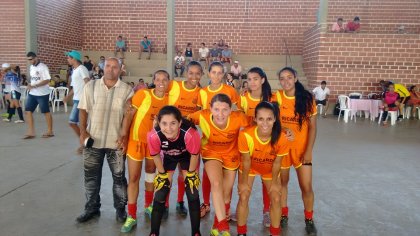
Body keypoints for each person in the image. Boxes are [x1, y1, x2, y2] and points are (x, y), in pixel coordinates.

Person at [75, 57, 133, 223]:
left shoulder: (127, 90)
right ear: (103, 67)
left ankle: (120, 209)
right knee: (91, 178)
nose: (111, 70)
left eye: (115, 67)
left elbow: (128, 117)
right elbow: (83, 110)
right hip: (94, 140)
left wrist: (125, 137)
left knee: (119, 178)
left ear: (121, 69)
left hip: (116, 143)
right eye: (108, 66)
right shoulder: (91, 86)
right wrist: (82, 132)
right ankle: (92, 208)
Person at [188, 94, 250, 236]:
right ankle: (224, 225)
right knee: (216, 184)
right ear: (210, 109)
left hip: (231, 155)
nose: (220, 114)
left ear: (230, 110)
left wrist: (283, 131)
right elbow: (180, 120)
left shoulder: (239, 118)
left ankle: (216, 226)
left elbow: (257, 128)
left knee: (226, 193)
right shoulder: (202, 115)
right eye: (216, 109)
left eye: (224, 110)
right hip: (211, 153)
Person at [120, 70, 170, 233]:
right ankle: (131, 215)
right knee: (134, 177)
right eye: (158, 79)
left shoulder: (169, 100)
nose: (161, 82)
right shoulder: (143, 94)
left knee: (151, 173)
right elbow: (129, 115)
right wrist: (124, 137)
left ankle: (148, 206)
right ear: (154, 80)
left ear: (168, 81)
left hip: (154, 144)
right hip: (136, 141)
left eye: (164, 79)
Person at [236, 101, 289, 236]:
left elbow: (277, 163)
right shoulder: (245, 135)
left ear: (275, 119)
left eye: (269, 119)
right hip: (250, 168)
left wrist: (276, 183)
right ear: (255, 119)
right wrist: (243, 183)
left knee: (276, 198)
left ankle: (275, 232)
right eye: (261, 119)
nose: (265, 123)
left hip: (270, 169)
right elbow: (246, 161)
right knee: (243, 196)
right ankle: (241, 232)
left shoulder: (281, 137)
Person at [275, 67, 318, 235]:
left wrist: (308, 151)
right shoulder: (276, 97)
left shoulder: (307, 99)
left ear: (295, 78)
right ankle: (284, 215)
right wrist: (284, 128)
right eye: (282, 78)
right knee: (282, 184)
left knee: (306, 186)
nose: (286, 81)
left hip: (302, 151)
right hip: (283, 150)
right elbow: (272, 121)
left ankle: (309, 218)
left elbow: (313, 128)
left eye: (289, 77)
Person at [147, 106, 202, 236]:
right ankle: (154, 232)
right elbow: (155, 155)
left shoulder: (191, 134)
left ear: (180, 122)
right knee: (161, 192)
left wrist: (191, 174)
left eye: (173, 123)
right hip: (168, 157)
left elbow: (194, 155)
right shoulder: (153, 136)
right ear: (158, 123)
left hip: (187, 157)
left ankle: (196, 232)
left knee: (192, 191)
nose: (169, 128)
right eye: (164, 123)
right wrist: (161, 174)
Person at [236, 67, 274, 227]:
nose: (252, 82)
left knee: (266, 179)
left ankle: (267, 211)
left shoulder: (272, 99)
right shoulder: (243, 98)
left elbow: (276, 123)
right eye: (249, 79)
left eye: (256, 79)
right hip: (248, 145)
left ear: (263, 80)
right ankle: (241, 209)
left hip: (267, 145)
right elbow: (240, 122)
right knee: (244, 181)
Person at [167, 61, 202, 217]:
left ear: (201, 74)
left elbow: (203, 116)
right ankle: (164, 204)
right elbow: (159, 94)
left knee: (184, 172)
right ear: (185, 72)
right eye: (191, 73)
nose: (194, 76)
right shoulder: (175, 86)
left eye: (197, 73)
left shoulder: (201, 93)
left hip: (188, 137)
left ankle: (180, 202)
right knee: (167, 171)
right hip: (169, 135)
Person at [63, 50, 90, 154]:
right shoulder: (75, 70)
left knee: (75, 123)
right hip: (77, 99)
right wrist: (67, 97)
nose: (67, 59)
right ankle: (85, 142)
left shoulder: (82, 69)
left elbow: (87, 82)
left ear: (74, 58)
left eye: (69, 58)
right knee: (76, 123)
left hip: (81, 100)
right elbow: (75, 88)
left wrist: (89, 98)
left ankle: (84, 144)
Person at [23, 52, 54, 139]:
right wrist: (30, 85)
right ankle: (31, 132)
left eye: (31, 59)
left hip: (42, 94)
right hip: (33, 93)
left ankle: (50, 131)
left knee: (45, 112)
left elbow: (47, 80)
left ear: (35, 57)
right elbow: (34, 79)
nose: (30, 61)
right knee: (28, 111)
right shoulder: (31, 67)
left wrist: (35, 86)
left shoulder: (43, 67)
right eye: (28, 60)